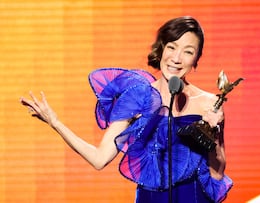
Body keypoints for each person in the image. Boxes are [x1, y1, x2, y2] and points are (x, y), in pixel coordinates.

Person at [20, 16, 233, 203]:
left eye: (188, 52)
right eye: (171, 47)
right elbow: (99, 158)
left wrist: (214, 133)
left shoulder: (209, 102)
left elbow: (217, 172)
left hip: (192, 197)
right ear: (161, 49)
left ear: (196, 59)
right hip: (151, 198)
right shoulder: (137, 98)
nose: (176, 58)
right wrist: (55, 122)